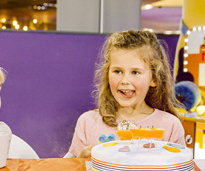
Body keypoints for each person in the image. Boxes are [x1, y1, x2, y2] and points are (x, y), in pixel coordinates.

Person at [64, 30, 186, 158]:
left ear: (154, 79)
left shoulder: (170, 126)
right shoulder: (87, 122)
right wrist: (79, 163)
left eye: (135, 72)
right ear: (107, 74)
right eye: (117, 71)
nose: (125, 81)